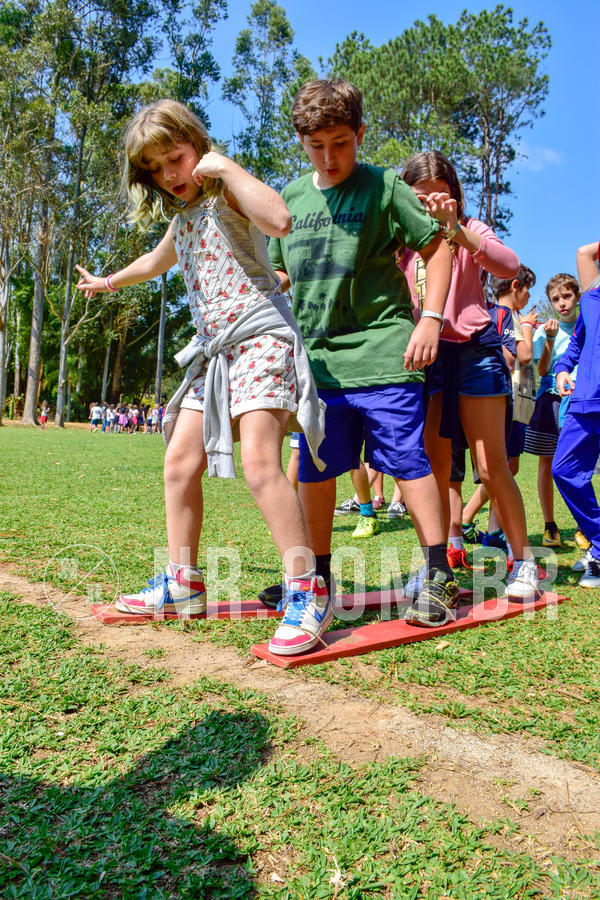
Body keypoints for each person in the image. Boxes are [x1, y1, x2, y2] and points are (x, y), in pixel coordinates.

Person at [76, 99, 326, 640]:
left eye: (176, 157)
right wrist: (107, 282)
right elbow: (155, 262)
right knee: (178, 461)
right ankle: (182, 581)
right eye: (155, 167)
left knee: (261, 461)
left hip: (261, 335)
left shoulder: (228, 192)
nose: (169, 174)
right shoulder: (183, 217)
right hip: (214, 352)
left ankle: (307, 589)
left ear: (197, 145)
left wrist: (226, 167)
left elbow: (280, 218)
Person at [266, 78, 458, 641]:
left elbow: (437, 247)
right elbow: (282, 272)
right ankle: (316, 581)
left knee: (407, 460)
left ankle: (437, 570)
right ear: (301, 142)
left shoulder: (385, 188)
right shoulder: (292, 198)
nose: (329, 158)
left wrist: (430, 318)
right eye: (316, 146)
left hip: (383, 351)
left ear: (360, 135)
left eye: (342, 143)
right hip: (318, 363)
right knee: (316, 470)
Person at [398, 150, 537, 601]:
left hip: (475, 351)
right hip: (428, 356)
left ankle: (525, 562)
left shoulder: (470, 228)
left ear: (456, 198)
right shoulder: (401, 240)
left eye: (442, 197)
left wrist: (456, 229)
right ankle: (437, 568)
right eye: (421, 198)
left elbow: (509, 265)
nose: (432, 207)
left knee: (489, 465)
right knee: (435, 468)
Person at [460, 265, 539, 557]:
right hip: (506, 400)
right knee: (501, 468)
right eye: (528, 290)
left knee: (502, 467)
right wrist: (528, 327)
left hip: (504, 400)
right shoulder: (505, 315)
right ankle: (468, 518)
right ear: (516, 286)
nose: (528, 297)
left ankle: (493, 531)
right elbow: (522, 355)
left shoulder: (494, 312)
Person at [552, 241, 600, 587]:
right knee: (564, 469)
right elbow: (578, 343)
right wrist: (562, 369)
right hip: (586, 400)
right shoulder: (594, 296)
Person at [523, 273, 580, 547]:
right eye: (555, 299)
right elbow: (542, 370)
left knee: (580, 465)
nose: (562, 303)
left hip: (582, 403)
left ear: (578, 297)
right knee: (547, 464)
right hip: (551, 401)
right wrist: (549, 339)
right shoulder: (545, 330)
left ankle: (583, 526)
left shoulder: (588, 326)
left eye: (567, 296)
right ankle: (550, 526)